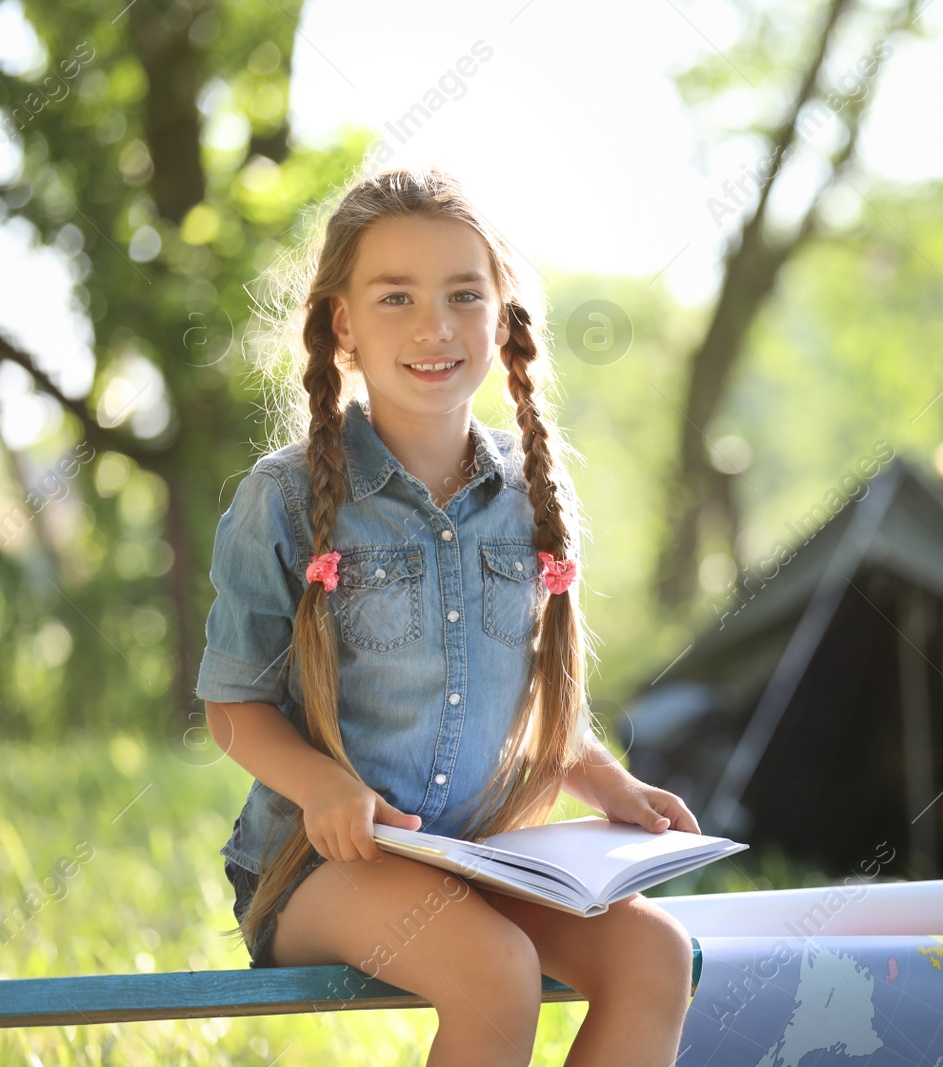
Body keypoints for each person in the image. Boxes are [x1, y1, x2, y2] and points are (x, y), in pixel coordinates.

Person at [195, 165, 698, 1066]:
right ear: (343, 324)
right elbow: (233, 707)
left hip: (483, 856)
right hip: (322, 869)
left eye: (464, 294)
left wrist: (606, 780)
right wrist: (326, 788)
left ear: (502, 316)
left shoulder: (530, 495)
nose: (434, 326)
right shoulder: (286, 496)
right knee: (493, 970)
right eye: (396, 297)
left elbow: (529, 695)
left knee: (655, 953)